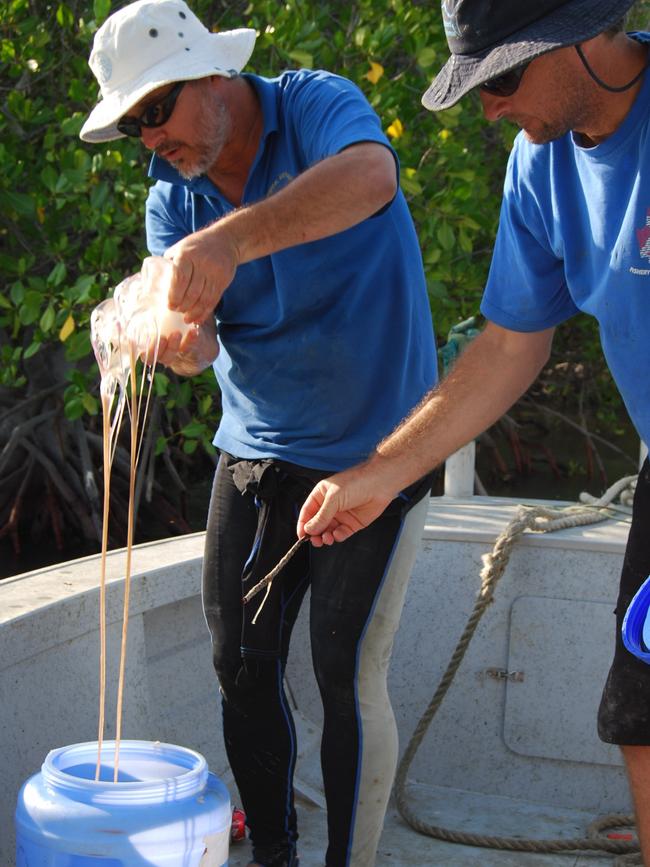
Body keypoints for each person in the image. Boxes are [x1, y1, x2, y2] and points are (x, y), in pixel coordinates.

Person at [80, 2, 438, 865]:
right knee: (238, 659)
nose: (148, 137)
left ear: (211, 74)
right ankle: (274, 851)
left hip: (380, 448)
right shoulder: (172, 198)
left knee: (342, 673)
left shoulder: (313, 103)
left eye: (155, 110)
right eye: (131, 125)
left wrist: (233, 240)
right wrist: (173, 342)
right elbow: (199, 343)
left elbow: (370, 178)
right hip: (255, 445)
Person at [297, 0, 650, 860]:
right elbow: (506, 346)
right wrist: (377, 476)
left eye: (500, 76)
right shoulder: (539, 168)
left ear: (579, 34)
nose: (489, 109)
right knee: (639, 708)